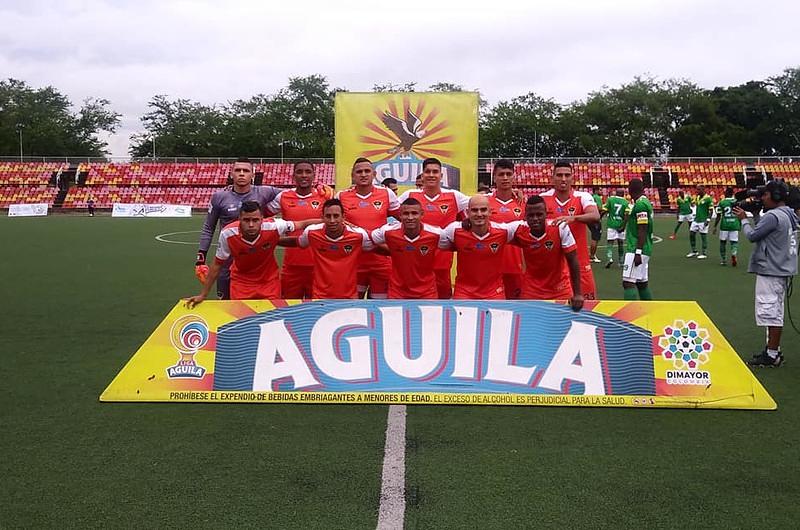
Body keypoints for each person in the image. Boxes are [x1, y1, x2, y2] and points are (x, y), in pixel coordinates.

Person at [185, 201, 315, 307]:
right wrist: (203, 294)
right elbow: (217, 264)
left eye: (255, 220)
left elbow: (302, 224)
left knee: (272, 320)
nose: (251, 224)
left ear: (262, 219)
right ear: (240, 219)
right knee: (242, 321)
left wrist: (328, 222)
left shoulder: (274, 226)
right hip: (241, 283)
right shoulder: (228, 233)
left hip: (269, 282)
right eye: (246, 220)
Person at [195, 158, 281, 299]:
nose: (242, 174)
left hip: (253, 262)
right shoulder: (219, 196)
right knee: (225, 305)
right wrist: (200, 258)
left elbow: (292, 195)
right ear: (231, 174)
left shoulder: (264, 192)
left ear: (252, 175)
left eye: (246, 171)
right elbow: (208, 228)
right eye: (238, 170)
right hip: (226, 260)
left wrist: (318, 190)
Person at [733, 180, 799, 367]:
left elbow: (754, 236)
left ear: (776, 196)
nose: (762, 198)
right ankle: (773, 350)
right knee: (774, 311)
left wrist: (744, 219)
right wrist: (755, 214)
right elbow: (767, 231)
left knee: (771, 313)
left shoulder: (774, 216)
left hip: (772, 269)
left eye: (765, 194)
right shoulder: (788, 214)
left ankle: (772, 354)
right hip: (781, 267)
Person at [397, 158, 470, 298]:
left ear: (441, 176)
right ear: (422, 175)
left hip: (441, 263)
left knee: (441, 304)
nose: (431, 175)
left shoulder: (454, 196)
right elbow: (389, 208)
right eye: (428, 171)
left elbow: (481, 202)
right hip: (414, 263)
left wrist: (513, 193)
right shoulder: (410, 195)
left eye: (435, 172)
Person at [337, 158, 400, 299]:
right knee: (353, 306)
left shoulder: (386, 193)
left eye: (367, 171)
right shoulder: (341, 196)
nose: (363, 174)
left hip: (381, 263)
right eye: (359, 172)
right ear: (353, 175)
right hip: (353, 264)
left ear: (374, 174)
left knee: (379, 307)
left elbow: (405, 219)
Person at [286, 198, 375, 299]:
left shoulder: (359, 235)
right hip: (320, 296)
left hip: (349, 297)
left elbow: (375, 246)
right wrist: (273, 240)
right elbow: (297, 242)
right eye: (328, 216)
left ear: (343, 217)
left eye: (336, 216)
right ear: (322, 217)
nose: (332, 220)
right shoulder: (311, 232)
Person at [267, 161, 329, 299]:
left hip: (318, 266)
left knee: (316, 308)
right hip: (291, 267)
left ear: (314, 175)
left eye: (308, 172)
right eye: (299, 172)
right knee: (290, 309)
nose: (304, 175)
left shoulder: (324, 196)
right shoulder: (283, 197)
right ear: (293, 175)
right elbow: (263, 216)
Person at [509, 195, 583, 311]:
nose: (535, 218)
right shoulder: (518, 229)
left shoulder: (560, 227)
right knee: (531, 328)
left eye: (539, 214)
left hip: (560, 290)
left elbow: (573, 259)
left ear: (546, 214)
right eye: (531, 215)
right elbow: (495, 229)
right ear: (525, 216)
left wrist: (578, 293)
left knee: (560, 327)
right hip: (531, 291)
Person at [541, 162, 601, 299]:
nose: (563, 179)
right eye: (559, 175)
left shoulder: (583, 197)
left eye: (567, 175)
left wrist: (573, 218)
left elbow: (595, 215)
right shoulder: (543, 198)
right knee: (555, 311)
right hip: (553, 268)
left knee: (588, 308)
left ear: (572, 178)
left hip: (580, 263)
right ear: (552, 178)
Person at [440, 194, 515, 300]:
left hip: (494, 292)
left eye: (483, 210)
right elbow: (432, 237)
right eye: (475, 210)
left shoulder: (504, 231)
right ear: (467, 212)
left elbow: (528, 226)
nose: (479, 214)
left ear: (490, 211)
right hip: (464, 292)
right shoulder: (454, 230)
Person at [371, 198, 446, 299]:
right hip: (397, 291)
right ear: (400, 215)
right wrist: (393, 250)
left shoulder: (437, 234)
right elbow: (370, 241)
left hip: (427, 292)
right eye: (406, 213)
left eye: (414, 213)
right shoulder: (387, 231)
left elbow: (455, 245)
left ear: (422, 214)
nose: (410, 217)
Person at [487, 159, 525, 299]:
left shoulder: (523, 203)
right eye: (501, 174)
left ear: (513, 176)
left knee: (516, 312)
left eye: (508, 174)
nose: (505, 178)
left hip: (516, 267)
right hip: (491, 268)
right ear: (494, 177)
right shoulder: (485, 203)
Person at [622, 178, 654, 301]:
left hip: (636, 248)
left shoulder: (640, 205)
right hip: (644, 248)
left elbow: (642, 228)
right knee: (641, 283)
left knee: (628, 283)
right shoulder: (644, 202)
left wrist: (638, 252)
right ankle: (649, 312)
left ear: (630, 190)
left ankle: (629, 316)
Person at [712, 187, 741, 267]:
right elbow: (740, 213)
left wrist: (715, 226)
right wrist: (740, 225)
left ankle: (723, 260)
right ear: (732, 194)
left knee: (722, 242)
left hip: (724, 225)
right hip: (734, 224)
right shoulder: (737, 202)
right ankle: (733, 253)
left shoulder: (722, 202)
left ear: (726, 193)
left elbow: (718, 215)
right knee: (734, 242)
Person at [603, 188, 629, 268]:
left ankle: (609, 258)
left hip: (612, 224)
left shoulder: (611, 199)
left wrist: (599, 217)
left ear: (616, 193)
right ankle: (621, 261)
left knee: (610, 243)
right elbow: (627, 215)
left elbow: (605, 210)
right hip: (620, 225)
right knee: (620, 243)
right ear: (623, 194)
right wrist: (623, 226)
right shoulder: (626, 202)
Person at [687, 185, 713, 259]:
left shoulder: (708, 199)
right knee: (691, 234)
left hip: (703, 220)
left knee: (703, 236)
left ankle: (704, 253)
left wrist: (708, 220)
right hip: (696, 220)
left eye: (698, 190)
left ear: (703, 190)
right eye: (696, 189)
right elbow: (693, 204)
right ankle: (694, 251)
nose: (697, 191)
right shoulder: (697, 197)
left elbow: (711, 210)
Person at [589, 187, 603, 263]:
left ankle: (592, 254)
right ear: (596, 190)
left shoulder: (591, 197)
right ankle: (592, 256)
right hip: (595, 219)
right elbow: (599, 208)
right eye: (600, 190)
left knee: (594, 236)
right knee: (595, 237)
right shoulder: (597, 197)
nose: (601, 191)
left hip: (590, 219)